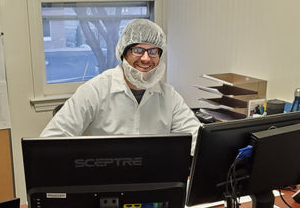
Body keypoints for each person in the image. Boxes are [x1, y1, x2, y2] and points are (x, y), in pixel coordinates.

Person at [40, 19, 201, 153]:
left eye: (153, 51)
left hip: (153, 182)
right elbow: (49, 142)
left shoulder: (169, 97)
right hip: (103, 184)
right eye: (138, 50)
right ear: (123, 53)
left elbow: (198, 141)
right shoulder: (95, 91)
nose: (146, 59)